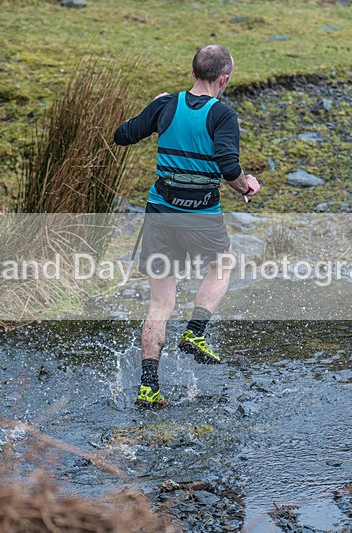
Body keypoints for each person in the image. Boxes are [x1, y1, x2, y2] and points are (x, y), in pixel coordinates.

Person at [114, 44, 260, 409]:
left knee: (160, 302)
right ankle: (195, 332)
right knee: (223, 261)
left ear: (193, 72)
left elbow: (123, 135)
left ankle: (148, 387)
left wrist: (153, 107)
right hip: (201, 216)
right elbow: (228, 165)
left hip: (161, 212)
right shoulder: (222, 115)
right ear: (223, 79)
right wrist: (246, 186)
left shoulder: (166, 105)